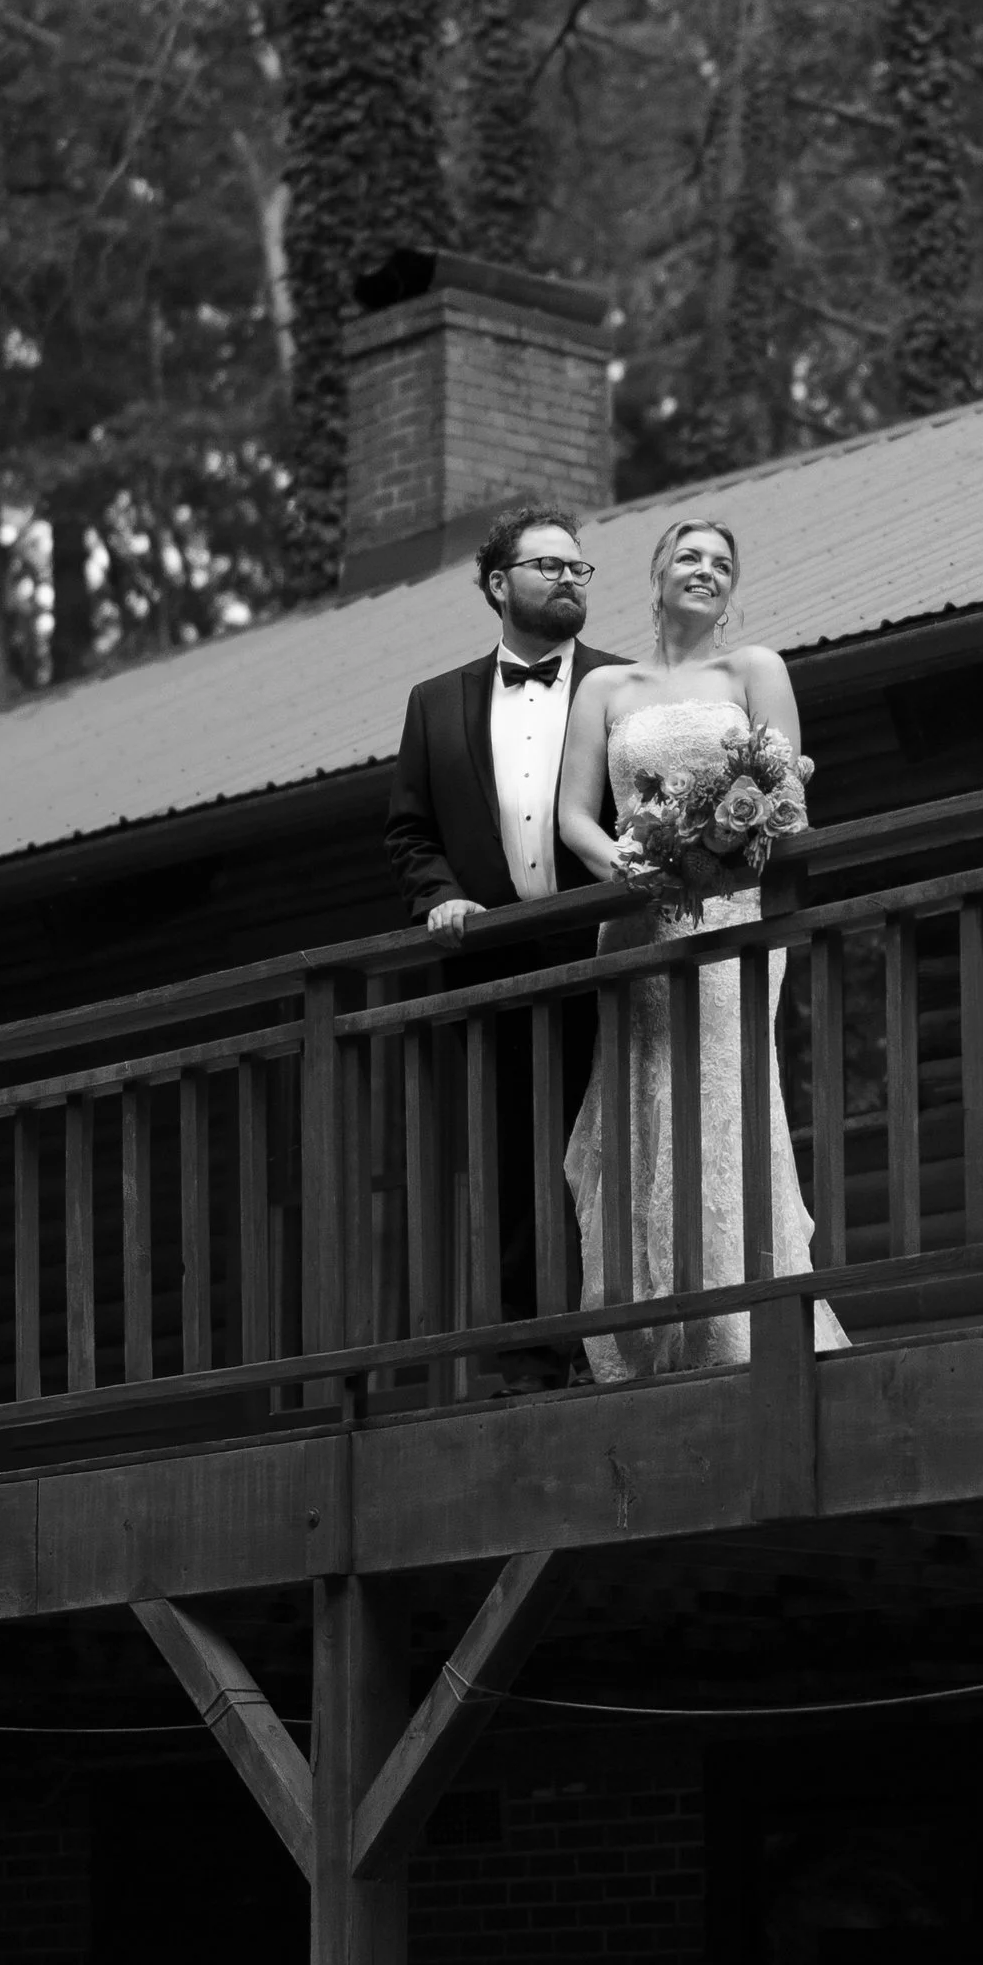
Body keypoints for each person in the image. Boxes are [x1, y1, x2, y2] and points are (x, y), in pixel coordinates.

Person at [555, 518, 848, 1380]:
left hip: (728, 921)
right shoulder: (605, 687)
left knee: (724, 1096)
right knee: (643, 1104)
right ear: (655, 575)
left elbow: (787, 794)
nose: (706, 572)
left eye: (722, 563)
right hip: (638, 921)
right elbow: (575, 810)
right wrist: (627, 862)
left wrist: (719, 849)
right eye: (689, 557)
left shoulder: (754, 670)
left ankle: (745, 1325)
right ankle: (654, 1336)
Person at [383, 499, 625, 1389]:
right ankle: (529, 1352)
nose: (569, 579)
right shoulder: (434, 704)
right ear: (497, 584)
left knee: (618, 1145)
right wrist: (441, 899)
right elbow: (410, 833)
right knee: (516, 1157)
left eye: (578, 568)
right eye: (549, 566)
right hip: (494, 962)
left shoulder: (624, 683)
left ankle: (627, 1335)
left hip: (607, 949)